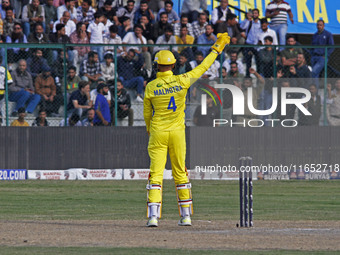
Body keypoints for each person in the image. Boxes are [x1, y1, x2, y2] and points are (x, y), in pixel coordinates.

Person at [143, 33, 230, 227]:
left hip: (158, 131)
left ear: (157, 65)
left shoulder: (150, 87)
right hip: (177, 133)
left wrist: (150, 130)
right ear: (173, 65)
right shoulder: (183, 80)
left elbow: (147, 114)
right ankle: (186, 216)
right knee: (180, 173)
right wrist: (216, 48)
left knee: (155, 174)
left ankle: (153, 217)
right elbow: (203, 67)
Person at [310, 19, 334, 89]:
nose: (319, 26)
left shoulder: (328, 34)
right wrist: (311, 55)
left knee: (314, 72)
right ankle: (315, 92)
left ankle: (315, 90)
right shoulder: (315, 35)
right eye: (317, 25)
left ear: (323, 26)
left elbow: (331, 47)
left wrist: (326, 55)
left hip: (322, 57)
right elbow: (311, 46)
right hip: (314, 57)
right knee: (315, 75)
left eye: (320, 25)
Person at [240, 9, 261, 76]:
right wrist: (247, 18)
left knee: (258, 62)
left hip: (257, 45)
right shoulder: (249, 22)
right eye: (253, 13)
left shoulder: (260, 23)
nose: (254, 15)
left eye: (255, 13)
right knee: (248, 62)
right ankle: (247, 77)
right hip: (249, 44)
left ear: (258, 14)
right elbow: (242, 26)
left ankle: (259, 76)